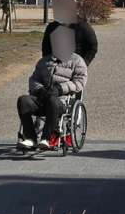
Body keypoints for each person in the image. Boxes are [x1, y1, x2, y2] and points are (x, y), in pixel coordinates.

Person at [17, 22, 89, 150]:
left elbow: (79, 82)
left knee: (52, 100)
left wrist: (60, 89)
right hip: (42, 99)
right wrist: (40, 90)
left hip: (62, 102)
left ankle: (46, 138)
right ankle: (31, 138)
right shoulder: (44, 61)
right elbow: (34, 79)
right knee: (23, 100)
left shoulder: (77, 61)